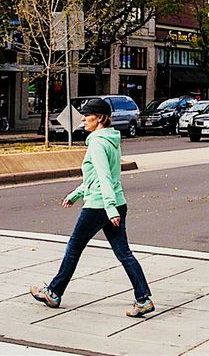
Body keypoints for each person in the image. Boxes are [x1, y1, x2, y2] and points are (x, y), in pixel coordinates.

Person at [31, 97, 154, 317]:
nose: (83, 119)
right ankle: (143, 299)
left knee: (74, 248)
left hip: (100, 206)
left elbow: (104, 177)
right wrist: (76, 194)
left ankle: (54, 292)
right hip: (116, 202)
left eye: (87, 115)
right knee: (124, 253)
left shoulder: (97, 142)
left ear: (99, 118)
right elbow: (98, 177)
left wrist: (108, 208)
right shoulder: (111, 140)